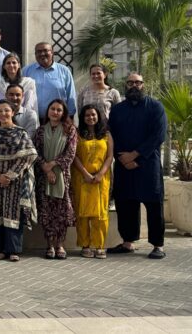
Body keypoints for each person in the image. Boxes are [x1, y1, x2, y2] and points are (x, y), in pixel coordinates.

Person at [107, 73, 168, 259]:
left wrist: (135, 156)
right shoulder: (117, 110)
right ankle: (128, 242)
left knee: (153, 205)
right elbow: (111, 136)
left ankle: (158, 245)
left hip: (148, 164)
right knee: (125, 204)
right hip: (124, 164)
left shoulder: (155, 107)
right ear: (125, 85)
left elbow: (158, 136)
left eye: (138, 83)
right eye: (130, 83)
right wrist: (123, 158)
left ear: (143, 85)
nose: (134, 86)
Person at [0, 100, 38, 262]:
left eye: (6, 111)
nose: (3, 114)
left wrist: (9, 175)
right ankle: (1, 249)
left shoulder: (20, 133)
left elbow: (29, 155)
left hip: (15, 180)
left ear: (13, 113)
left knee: (13, 214)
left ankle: (13, 249)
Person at [33, 99, 78, 260]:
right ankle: (49, 245)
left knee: (61, 211)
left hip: (62, 176)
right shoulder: (40, 131)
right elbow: (35, 152)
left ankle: (59, 245)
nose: (55, 112)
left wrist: (52, 165)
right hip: (43, 177)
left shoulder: (70, 130)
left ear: (63, 112)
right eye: (52, 109)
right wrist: (45, 168)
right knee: (46, 211)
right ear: (48, 111)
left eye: (59, 110)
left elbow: (70, 153)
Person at [73, 104, 114, 259]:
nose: (90, 118)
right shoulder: (78, 135)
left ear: (98, 116)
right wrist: (85, 174)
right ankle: (85, 245)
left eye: (93, 115)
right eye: (87, 115)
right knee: (82, 213)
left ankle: (99, 245)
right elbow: (74, 156)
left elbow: (110, 156)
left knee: (100, 213)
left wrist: (100, 174)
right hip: (82, 178)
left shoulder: (106, 135)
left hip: (101, 180)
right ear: (83, 118)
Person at [23, 42, 77, 119]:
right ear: (35, 54)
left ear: (52, 53)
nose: (42, 54)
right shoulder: (26, 71)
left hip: (58, 119)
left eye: (45, 50)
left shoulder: (64, 71)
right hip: (33, 120)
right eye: (39, 51)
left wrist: (70, 117)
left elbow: (71, 95)